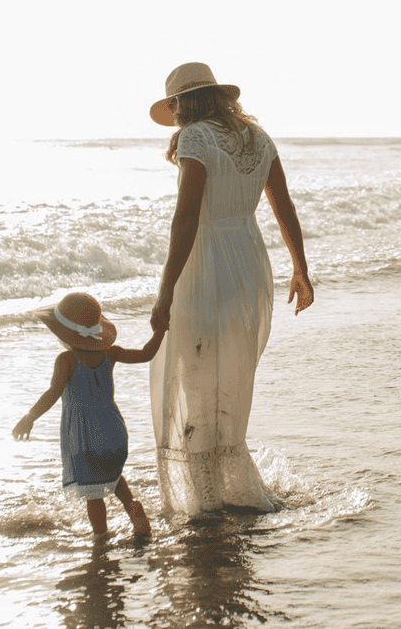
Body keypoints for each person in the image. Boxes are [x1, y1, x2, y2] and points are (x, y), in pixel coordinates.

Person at [147, 62, 314, 519]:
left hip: (206, 261)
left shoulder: (195, 137)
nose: (176, 111)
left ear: (185, 103)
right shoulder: (257, 137)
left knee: (194, 371)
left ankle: (202, 498)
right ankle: (222, 485)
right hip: (248, 259)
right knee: (229, 375)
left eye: (176, 103)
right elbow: (283, 206)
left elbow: (187, 218)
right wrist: (301, 269)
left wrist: (165, 291)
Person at [13, 291, 163, 538]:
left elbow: (53, 393)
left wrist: (30, 416)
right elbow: (146, 354)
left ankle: (101, 536)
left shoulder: (66, 360)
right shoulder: (111, 354)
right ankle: (138, 517)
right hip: (113, 431)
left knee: (92, 493)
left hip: (85, 437)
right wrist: (160, 331)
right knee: (115, 479)